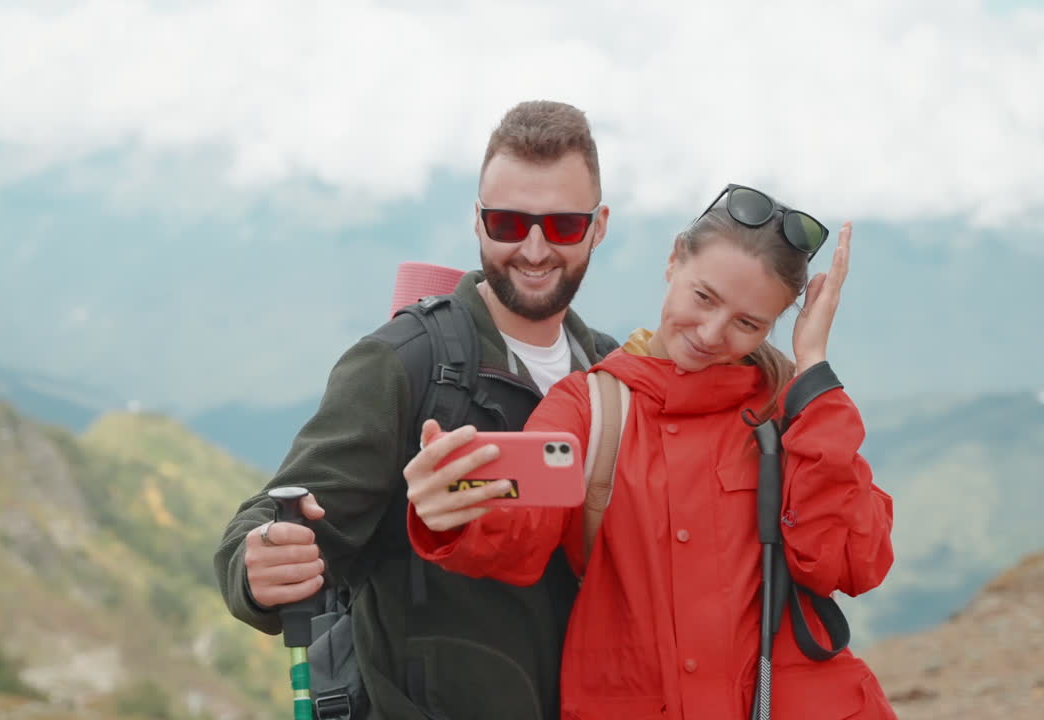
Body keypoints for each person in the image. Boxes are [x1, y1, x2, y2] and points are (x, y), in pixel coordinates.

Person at [404, 185, 898, 719]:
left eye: (748, 324)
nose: (711, 333)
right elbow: (522, 527)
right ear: (673, 259)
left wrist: (813, 367)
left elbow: (849, 563)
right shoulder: (591, 407)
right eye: (703, 297)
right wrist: (456, 501)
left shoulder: (794, 412)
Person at [214, 100, 616, 720]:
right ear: (477, 221)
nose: (534, 249)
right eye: (508, 223)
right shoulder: (404, 364)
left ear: (599, 225)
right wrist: (256, 565)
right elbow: (282, 515)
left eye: (563, 225)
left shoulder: (613, 380)